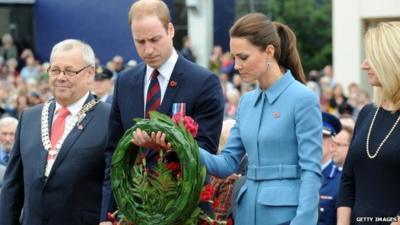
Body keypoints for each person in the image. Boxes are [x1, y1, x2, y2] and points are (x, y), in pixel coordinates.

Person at [138, 13, 322, 225]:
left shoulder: (303, 98)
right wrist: (180, 143)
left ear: (269, 52)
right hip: (246, 213)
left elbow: (311, 170)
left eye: (243, 57)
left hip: (286, 217)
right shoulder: (246, 102)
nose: (236, 65)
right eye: (234, 57)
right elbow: (226, 164)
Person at [99, 0, 224, 224]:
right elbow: (113, 154)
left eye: (155, 40)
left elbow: (205, 151)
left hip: (186, 210)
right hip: (134, 210)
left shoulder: (204, 82)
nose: (148, 49)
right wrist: (106, 215)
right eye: (140, 42)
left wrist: (168, 146)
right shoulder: (125, 82)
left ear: (170, 30)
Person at [0, 39, 111, 225]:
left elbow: (113, 188)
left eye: (69, 71)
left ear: (89, 73)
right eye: (55, 70)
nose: (61, 77)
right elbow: (12, 186)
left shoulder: (109, 119)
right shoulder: (29, 117)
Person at [337, 21, 400, 225]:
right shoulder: (366, 113)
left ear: (390, 60)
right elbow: (348, 180)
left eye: (370, 58)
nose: (363, 65)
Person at [318, 112, 342, 225]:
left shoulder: (341, 180)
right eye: (312, 136)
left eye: (322, 137)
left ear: (332, 144)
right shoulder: (295, 175)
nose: (316, 141)